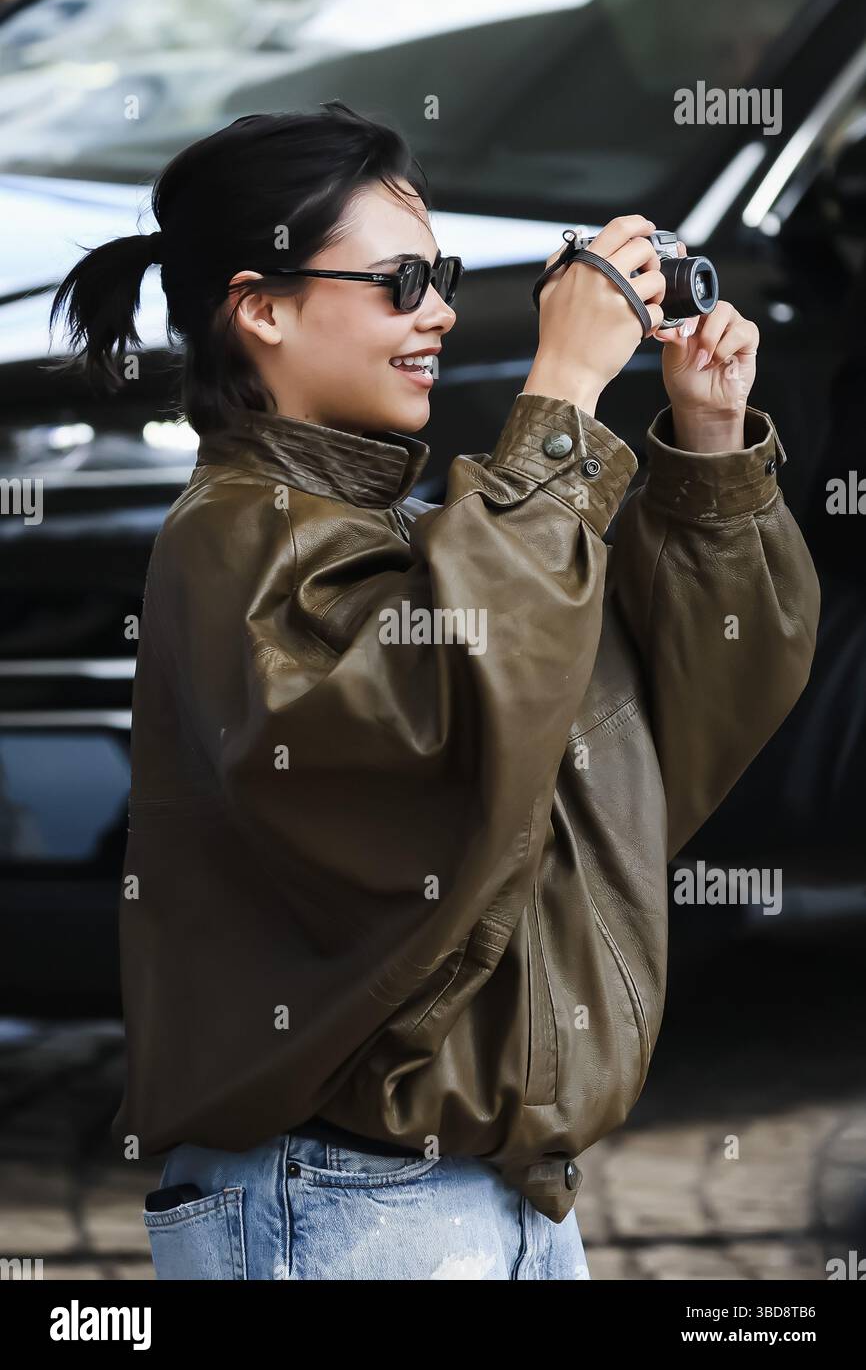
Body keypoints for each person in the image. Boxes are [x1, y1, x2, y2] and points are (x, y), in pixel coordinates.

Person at [49, 100, 820, 1280]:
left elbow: (669, 731)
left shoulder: (420, 536)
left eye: (442, 273)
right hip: (346, 1199)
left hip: (494, 1195)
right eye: (400, 279)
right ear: (260, 306)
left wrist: (708, 455)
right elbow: (425, 739)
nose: (442, 311)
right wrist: (558, 391)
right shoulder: (231, 537)